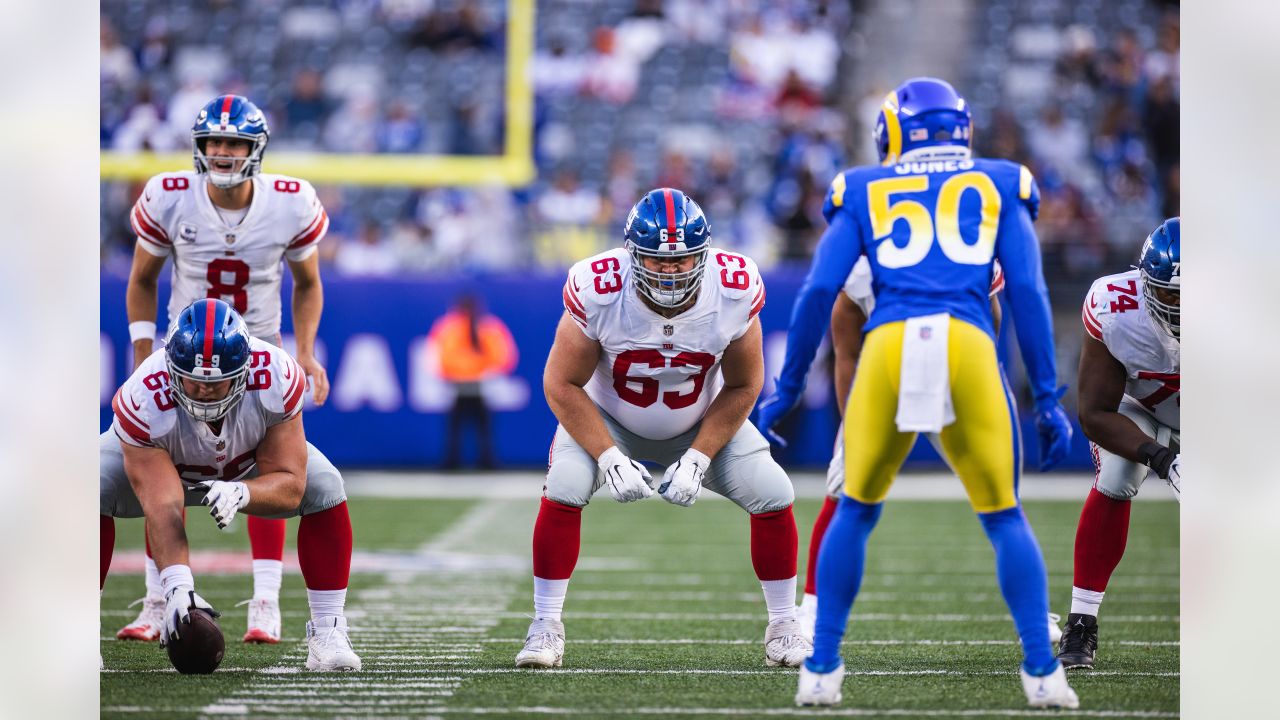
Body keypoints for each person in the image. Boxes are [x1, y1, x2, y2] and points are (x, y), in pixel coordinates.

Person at [755, 77, 1078, 709]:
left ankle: (820, 671)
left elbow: (819, 291)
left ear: (892, 133)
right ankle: (1043, 675)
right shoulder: (1002, 181)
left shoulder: (862, 186)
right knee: (1004, 514)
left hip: (891, 344)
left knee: (855, 509)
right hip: (966, 342)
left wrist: (788, 386)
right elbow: (1028, 295)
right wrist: (1045, 393)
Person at [515, 188, 810, 670]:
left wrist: (699, 456)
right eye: (657, 261)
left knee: (774, 491)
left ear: (704, 254)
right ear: (633, 255)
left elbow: (744, 384)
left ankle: (783, 625)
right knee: (565, 487)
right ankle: (546, 625)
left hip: (701, 420)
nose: (671, 272)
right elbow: (561, 383)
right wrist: (608, 454)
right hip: (611, 419)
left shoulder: (733, 286)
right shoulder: (599, 286)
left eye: (683, 260)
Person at [118, 94, 331, 645]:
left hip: (257, 354)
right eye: (214, 140)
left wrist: (305, 352)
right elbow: (141, 280)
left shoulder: (289, 202)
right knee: (159, 467)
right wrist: (144, 353)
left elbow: (307, 284)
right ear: (198, 146)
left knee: (273, 469)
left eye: (234, 142)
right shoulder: (169, 196)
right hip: (182, 360)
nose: (222, 151)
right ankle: (157, 597)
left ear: (255, 148)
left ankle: (265, 600)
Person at [795, 261, 1066, 647]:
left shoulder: (971, 247)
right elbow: (847, 354)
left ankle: (1033, 612)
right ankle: (811, 611)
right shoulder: (861, 260)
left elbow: (990, 329)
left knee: (1001, 497)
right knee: (843, 493)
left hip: (956, 376)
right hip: (885, 378)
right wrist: (851, 422)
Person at [101, 299, 359, 671]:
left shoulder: (275, 374)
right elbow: (162, 503)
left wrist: (243, 491)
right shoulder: (143, 396)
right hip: (166, 467)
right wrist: (177, 584)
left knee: (326, 487)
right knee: (86, 482)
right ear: (172, 369)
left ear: (243, 372)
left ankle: (328, 631)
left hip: (247, 462)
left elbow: (292, 482)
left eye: (218, 382)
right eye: (196, 380)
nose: (205, 391)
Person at [1057, 218, 1180, 669]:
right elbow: (1094, 413)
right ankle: (1081, 623)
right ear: (1146, 283)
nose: (1183, 308)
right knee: (1117, 475)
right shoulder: (1116, 306)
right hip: (1137, 410)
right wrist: (1164, 459)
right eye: (1171, 294)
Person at [426, 294, 519, 469]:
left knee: (479, 425)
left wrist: (485, 372)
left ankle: (484, 461)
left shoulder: (485, 327)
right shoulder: (452, 329)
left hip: (480, 385)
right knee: (459, 425)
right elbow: (441, 355)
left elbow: (502, 355)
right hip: (459, 385)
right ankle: (455, 461)